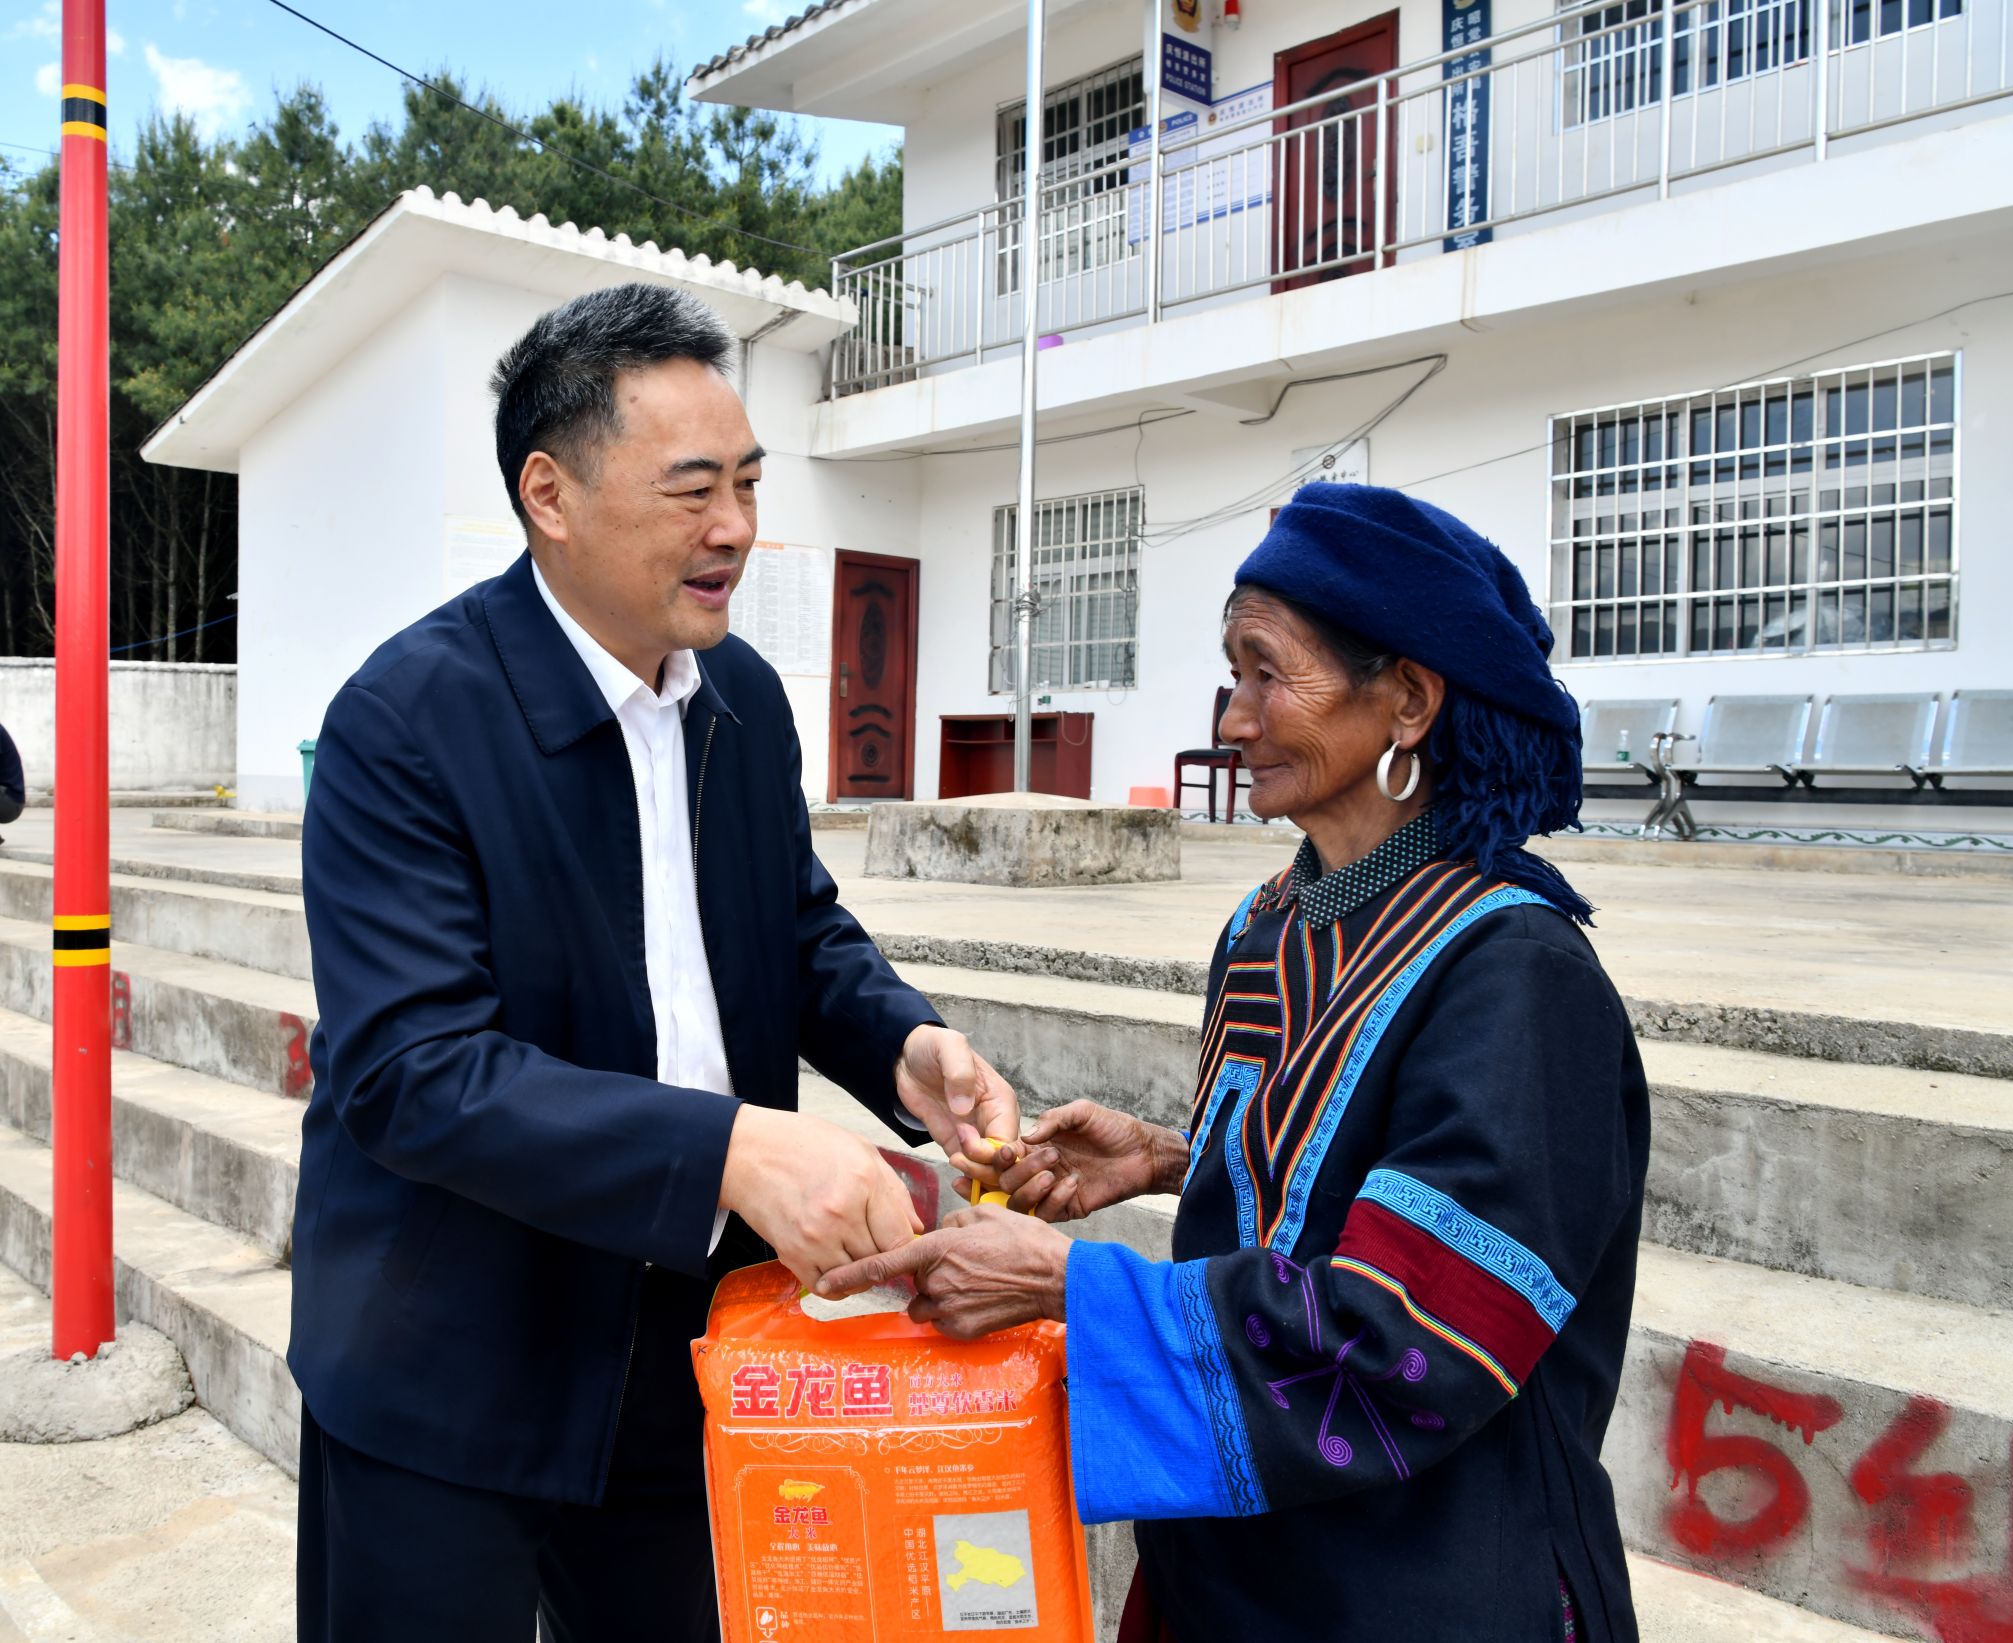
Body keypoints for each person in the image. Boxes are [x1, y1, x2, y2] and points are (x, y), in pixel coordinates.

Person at [292, 281, 1020, 1643]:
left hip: (686, 1336)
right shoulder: (406, 721)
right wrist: (732, 1147)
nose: (734, 526)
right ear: (551, 495)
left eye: (746, 482)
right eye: (693, 489)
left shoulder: (740, 698)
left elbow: (795, 928)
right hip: (449, 1349)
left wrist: (903, 1045)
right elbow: (413, 1071)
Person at [822, 485, 1650, 1642]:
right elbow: (1325, 1177)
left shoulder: (1516, 975)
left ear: (1408, 700)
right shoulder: (1271, 924)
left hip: (1422, 1583)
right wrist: (1176, 1156)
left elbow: (1409, 1341)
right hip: (1231, 1569)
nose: (1232, 718)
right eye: (1231, 673)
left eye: (1268, 674)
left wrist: (1069, 1285)